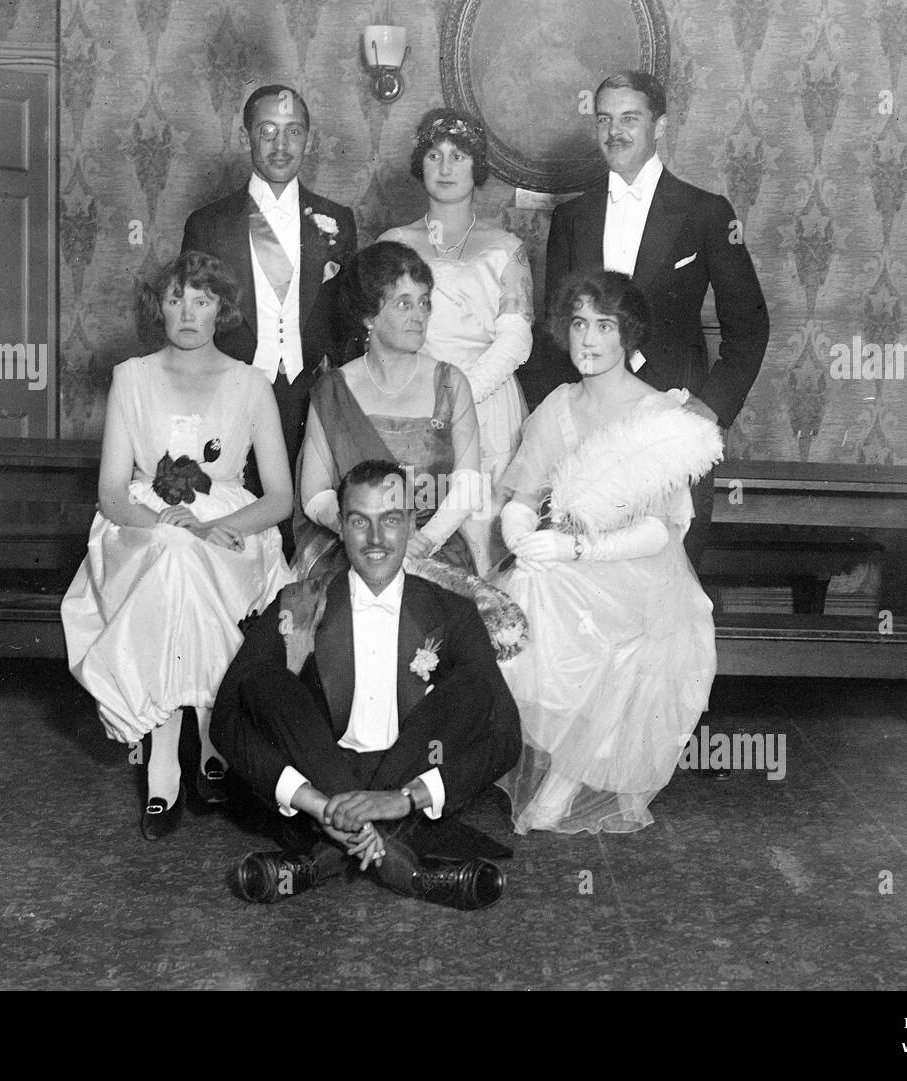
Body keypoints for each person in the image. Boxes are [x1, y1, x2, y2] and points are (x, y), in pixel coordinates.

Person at [213, 459, 522, 909]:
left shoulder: (453, 612)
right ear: (340, 525)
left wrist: (400, 800)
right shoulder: (299, 602)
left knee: (473, 690)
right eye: (360, 521)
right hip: (320, 775)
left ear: (411, 524)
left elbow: (506, 736)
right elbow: (225, 720)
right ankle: (410, 871)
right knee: (262, 682)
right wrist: (320, 803)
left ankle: (318, 863)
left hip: (405, 779)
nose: (376, 540)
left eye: (391, 521)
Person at [62, 252, 295, 840]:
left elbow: (280, 499)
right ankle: (194, 754)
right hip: (144, 528)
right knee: (172, 555)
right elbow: (112, 493)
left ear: (222, 308)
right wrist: (161, 519)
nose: (188, 312)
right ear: (157, 308)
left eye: (202, 299)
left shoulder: (250, 384)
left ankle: (180, 759)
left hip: (231, 532)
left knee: (188, 558)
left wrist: (227, 527)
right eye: (175, 299)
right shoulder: (132, 377)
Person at [495, 270, 722, 835]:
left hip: (637, 572)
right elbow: (523, 496)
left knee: (614, 640)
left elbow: (658, 533)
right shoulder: (558, 405)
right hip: (566, 561)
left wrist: (573, 547)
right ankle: (547, 765)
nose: (588, 340)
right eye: (578, 325)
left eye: (604, 325)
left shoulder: (658, 416)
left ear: (627, 336)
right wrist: (521, 532)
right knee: (523, 593)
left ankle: (563, 783)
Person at [541, 70, 768, 567]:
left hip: (672, 418)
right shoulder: (571, 218)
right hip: (589, 424)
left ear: (659, 126)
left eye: (629, 118)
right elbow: (554, 330)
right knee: (588, 568)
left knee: (671, 564)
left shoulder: (706, 212)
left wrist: (710, 408)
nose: (614, 132)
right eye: (604, 119)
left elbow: (750, 324)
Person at [180, 84, 358, 552]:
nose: (281, 146)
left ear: (309, 140)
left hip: (307, 394)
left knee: (304, 523)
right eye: (268, 131)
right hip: (231, 390)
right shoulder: (209, 223)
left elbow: (345, 321)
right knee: (236, 522)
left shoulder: (337, 220)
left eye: (293, 132)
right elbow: (191, 318)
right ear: (246, 138)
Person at [379, 108, 532, 573]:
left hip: (484, 399)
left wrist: (458, 395)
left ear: (476, 166)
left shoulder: (504, 247)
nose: (445, 168)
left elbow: (515, 342)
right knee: (418, 521)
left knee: (480, 528)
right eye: (434, 155)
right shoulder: (394, 242)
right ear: (419, 164)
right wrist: (426, 396)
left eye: (459, 156)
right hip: (412, 399)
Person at [293, 241, 482, 579]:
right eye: (403, 304)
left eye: (424, 303)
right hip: (350, 549)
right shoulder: (333, 390)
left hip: (431, 548)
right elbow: (315, 493)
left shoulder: (451, 383)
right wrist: (362, 533)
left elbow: (468, 485)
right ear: (369, 316)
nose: (419, 316)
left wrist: (426, 541)